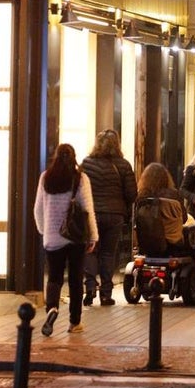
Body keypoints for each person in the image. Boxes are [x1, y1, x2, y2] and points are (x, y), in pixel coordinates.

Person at [34, 143, 97, 336]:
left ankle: (52, 308)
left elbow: (38, 208)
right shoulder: (80, 178)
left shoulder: (46, 177)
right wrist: (93, 236)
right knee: (76, 279)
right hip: (74, 237)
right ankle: (74, 322)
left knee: (54, 277)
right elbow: (87, 209)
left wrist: (44, 230)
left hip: (52, 238)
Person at [80, 129, 136, 307]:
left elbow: (80, 189)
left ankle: (89, 287)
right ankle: (106, 293)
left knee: (90, 249)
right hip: (114, 215)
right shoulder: (124, 165)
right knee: (108, 253)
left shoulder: (87, 164)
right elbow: (132, 193)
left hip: (92, 214)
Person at [135, 162, 188, 256]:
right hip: (172, 244)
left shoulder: (142, 197)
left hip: (148, 243)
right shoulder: (174, 195)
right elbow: (184, 219)